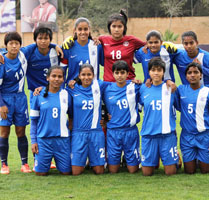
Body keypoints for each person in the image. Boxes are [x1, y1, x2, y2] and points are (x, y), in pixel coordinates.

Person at [139, 57, 179, 176]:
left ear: (163, 72)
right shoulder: (143, 88)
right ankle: (156, 158)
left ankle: (176, 158)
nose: (156, 73)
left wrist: (168, 81)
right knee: (146, 173)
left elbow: (179, 107)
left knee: (170, 173)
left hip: (167, 135)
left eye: (159, 70)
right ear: (149, 72)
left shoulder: (171, 88)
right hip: (149, 135)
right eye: (153, 70)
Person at [30, 66, 71, 176]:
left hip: (62, 140)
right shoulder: (38, 95)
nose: (56, 79)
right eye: (53, 76)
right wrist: (34, 141)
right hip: (44, 140)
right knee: (41, 174)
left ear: (63, 79)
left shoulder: (67, 95)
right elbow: (34, 121)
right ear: (48, 78)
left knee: (66, 172)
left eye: (59, 77)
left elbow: (71, 117)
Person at [0, 32, 32, 174]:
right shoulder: (1, 62)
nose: (14, 46)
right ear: (6, 46)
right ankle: (4, 164)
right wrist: (1, 105)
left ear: (20, 45)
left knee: (21, 131)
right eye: (11, 43)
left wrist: (55, 45)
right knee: (4, 132)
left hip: (20, 99)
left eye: (16, 43)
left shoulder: (23, 55)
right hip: (4, 99)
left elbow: (41, 43)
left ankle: (24, 164)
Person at [67, 64, 107, 175]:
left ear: (93, 75)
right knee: (76, 172)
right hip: (79, 133)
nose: (86, 77)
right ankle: (83, 160)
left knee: (99, 171)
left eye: (89, 74)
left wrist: (133, 82)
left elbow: (117, 85)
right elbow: (55, 89)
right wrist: (40, 89)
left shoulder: (99, 85)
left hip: (96, 132)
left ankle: (93, 161)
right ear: (79, 76)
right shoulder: (72, 88)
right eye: (83, 75)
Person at [103, 60, 141, 173]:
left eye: (123, 72)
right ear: (113, 73)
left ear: (127, 73)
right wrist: (104, 117)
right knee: (113, 170)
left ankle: (127, 159)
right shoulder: (106, 88)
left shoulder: (135, 87)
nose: (120, 75)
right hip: (113, 132)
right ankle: (118, 159)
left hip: (130, 131)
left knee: (133, 170)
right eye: (117, 72)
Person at [175, 62, 209, 174]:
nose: (192, 75)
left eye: (196, 72)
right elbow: (177, 105)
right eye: (189, 73)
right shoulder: (180, 90)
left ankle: (201, 157)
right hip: (187, 136)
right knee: (189, 171)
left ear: (201, 75)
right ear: (186, 76)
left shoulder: (207, 91)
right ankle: (187, 158)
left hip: (204, 136)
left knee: (205, 171)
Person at [99, 10, 145, 82]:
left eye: (120, 26)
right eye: (114, 26)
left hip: (128, 82)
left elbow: (150, 45)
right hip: (109, 83)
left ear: (124, 28)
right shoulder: (103, 40)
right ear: (109, 27)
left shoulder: (132, 40)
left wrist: (165, 44)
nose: (116, 29)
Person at [61, 17, 104, 84]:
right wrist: (62, 89)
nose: (83, 32)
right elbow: (62, 71)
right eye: (80, 29)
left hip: (92, 89)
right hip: (73, 89)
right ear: (75, 30)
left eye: (85, 29)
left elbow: (106, 64)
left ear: (89, 30)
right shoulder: (68, 47)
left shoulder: (97, 46)